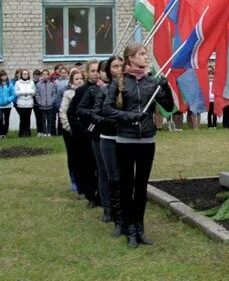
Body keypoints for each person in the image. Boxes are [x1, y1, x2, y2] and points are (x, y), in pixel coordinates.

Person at [102, 43, 173, 248]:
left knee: (141, 186)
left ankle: (140, 228)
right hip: (125, 140)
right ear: (130, 58)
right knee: (126, 186)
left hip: (147, 140)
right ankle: (129, 229)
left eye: (145, 54)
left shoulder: (151, 82)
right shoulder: (120, 82)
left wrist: (165, 87)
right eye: (141, 54)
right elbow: (107, 109)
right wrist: (130, 116)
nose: (145, 57)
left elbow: (168, 107)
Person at [89, 56, 124, 235]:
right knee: (110, 175)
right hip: (108, 138)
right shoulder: (103, 91)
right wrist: (113, 121)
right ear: (109, 70)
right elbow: (95, 115)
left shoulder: (128, 88)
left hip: (126, 138)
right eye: (115, 66)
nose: (118, 70)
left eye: (121, 66)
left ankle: (125, 212)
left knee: (125, 176)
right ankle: (109, 209)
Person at [68, 60, 100, 209]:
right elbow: (72, 113)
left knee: (101, 167)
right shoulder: (81, 91)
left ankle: (102, 195)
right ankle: (90, 195)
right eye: (92, 71)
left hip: (101, 134)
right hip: (85, 135)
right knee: (87, 166)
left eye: (98, 70)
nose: (96, 74)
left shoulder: (105, 89)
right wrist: (82, 130)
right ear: (87, 73)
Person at [59, 70, 84, 194]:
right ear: (71, 82)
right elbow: (63, 112)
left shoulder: (86, 92)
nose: (79, 81)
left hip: (83, 130)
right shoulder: (68, 94)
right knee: (72, 155)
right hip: (70, 130)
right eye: (76, 79)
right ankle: (74, 180)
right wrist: (69, 127)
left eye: (81, 78)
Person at [35, 69, 57, 137]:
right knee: (43, 120)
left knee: (49, 120)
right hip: (42, 106)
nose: (45, 76)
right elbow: (37, 94)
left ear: (48, 75)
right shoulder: (38, 84)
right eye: (44, 74)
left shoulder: (52, 84)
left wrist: (52, 101)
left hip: (50, 105)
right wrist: (39, 102)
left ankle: (49, 132)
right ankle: (44, 132)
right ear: (42, 75)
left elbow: (54, 94)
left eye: (46, 74)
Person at [14, 69, 36, 137]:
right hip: (21, 103)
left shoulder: (31, 82)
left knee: (28, 118)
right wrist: (24, 92)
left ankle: (27, 132)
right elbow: (16, 93)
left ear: (28, 75)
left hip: (29, 103)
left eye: (26, 74)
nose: (25, 75)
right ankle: (22, 133)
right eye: (24, 74)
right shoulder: (18, 82)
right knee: (22, 118)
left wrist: (27, 92)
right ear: (21, 75)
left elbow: (33, 92)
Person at [0, 70, 16, 139]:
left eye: (4, 75)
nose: (3, 77)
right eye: (2, 76)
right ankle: (1, 133)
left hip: (7, 105)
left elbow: (13, 94)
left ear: (6, 76)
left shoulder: (10, 85)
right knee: (0, 119)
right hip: (0, 105)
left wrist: (9, 100)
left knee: (6, 119)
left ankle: (5, 133)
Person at [32, 69, 44, 136]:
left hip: (42, 103)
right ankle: (39, 131)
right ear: (33, 76)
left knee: (42, 118)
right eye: (35, 75)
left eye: (38, 75)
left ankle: (43, 130)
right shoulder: (32, 82)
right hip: (35, 103)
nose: (36, 77)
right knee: (38, 117)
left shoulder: (41, 82)